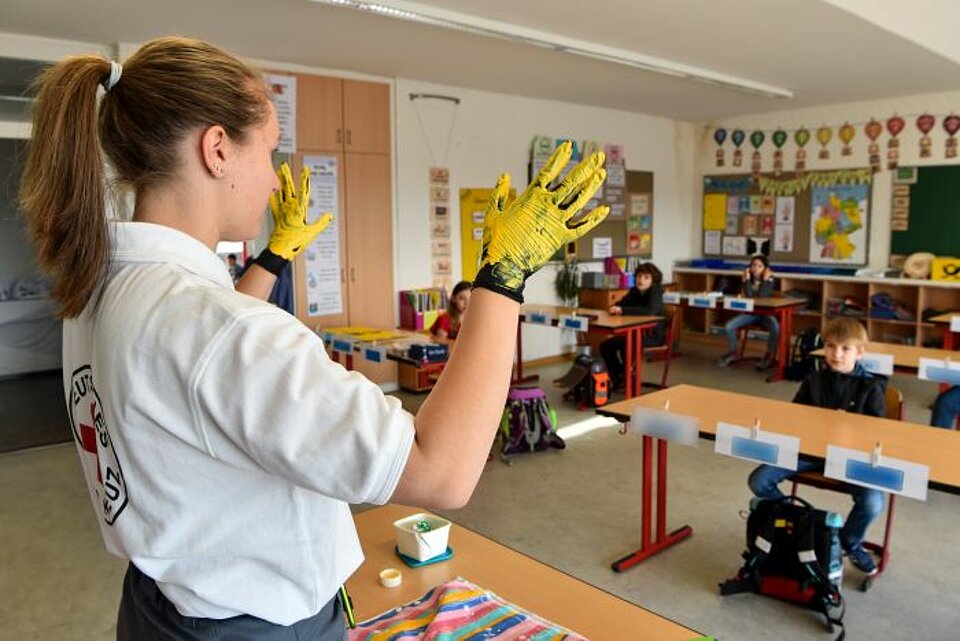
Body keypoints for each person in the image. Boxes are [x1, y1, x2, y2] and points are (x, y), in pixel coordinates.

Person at [19, 37, 609, 640]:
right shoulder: (221, 331)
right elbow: (443, 472)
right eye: (271, 153)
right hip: (253, 625)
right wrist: (501, 279)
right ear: (217, 149)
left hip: (158, 606)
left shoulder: (96, 289)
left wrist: (273, 258)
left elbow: (197, 372)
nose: (276, 181)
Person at [747, 317, 886, 576]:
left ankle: (849, 542)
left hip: (849, 456)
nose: (836, 354)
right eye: (831, 346)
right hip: (810, 451)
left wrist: (853, 425)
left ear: (860, 352)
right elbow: (796, 416)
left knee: (873, 502)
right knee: (759, 481)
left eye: (845, 349)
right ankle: (804, 526)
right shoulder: (813, 380)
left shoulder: (871, 386)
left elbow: (879, 433)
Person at [599, 262, 665, 389]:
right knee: (606, 346)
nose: (641, 280)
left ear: (653, 280)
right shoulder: (635, 291)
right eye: (639, 276)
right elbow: (622, 303)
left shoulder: (656, 292)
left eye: (646, 277)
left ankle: (625, 376)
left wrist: (623, 310)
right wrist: (615, 307)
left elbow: (650, 311)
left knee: (627, 345)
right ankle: (619, 375)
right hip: (634, 333)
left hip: (653, 336)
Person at [717, 254, 779, 370]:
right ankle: (733, 353)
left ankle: (769, 356)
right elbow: (750, 296)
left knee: (776, 327)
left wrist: (765, 280)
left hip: (765, 314)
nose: (756, 268)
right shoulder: (747, 278)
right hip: (751, 314)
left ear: (765, 269)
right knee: (729, 326)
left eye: (760, 266)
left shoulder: (770, 279)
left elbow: (762, 296)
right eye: (754, 265)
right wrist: (745, 281)